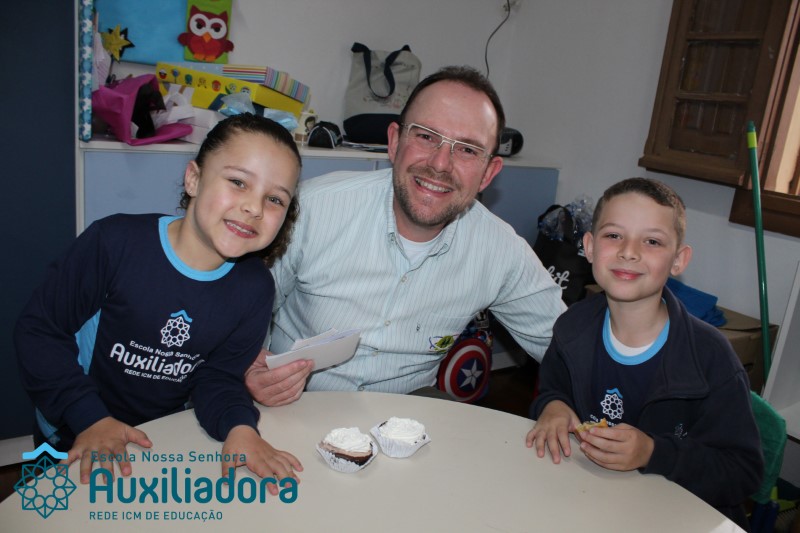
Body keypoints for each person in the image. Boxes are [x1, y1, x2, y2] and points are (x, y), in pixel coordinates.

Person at [245, 66, 566, 405]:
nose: (440, 164)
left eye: (467, 150)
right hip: (296, 404)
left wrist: (559, 400)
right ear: (395, 142)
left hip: (407, 416)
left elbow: (572, 349)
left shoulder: (501, 251)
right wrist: (248, 366)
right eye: (426, 136)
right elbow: (239, 309)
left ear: (488, 173)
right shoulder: (312, 209)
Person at [15, 113, 304, 489]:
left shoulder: (255, 290)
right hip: (71, 431)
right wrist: (89, 417)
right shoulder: (114, 244)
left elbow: (218, 378)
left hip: (155, 442)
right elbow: (40, 332)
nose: (254, 208)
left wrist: (240, 428)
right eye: (238, 182)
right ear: (194, 179)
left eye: (275, 199)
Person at [525, 177, 763, 527]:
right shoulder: (572, 326)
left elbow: (741, 472)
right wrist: (554, 407)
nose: (629, 251)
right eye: (613, 235)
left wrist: (653, 452)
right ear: (589, 247)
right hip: (588, 503)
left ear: (678, 260)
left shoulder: (711, 357)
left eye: (652, 241)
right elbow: (552, 390)